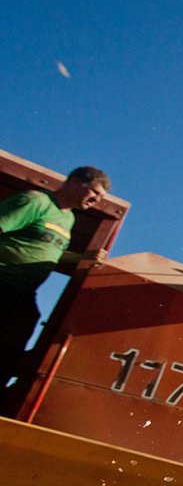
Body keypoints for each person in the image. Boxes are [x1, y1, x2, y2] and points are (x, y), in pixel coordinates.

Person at [0, 166, 109, 394]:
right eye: (95, 193)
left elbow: (50, 252)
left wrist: (84, 258)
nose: (97, 200)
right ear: (75, 182)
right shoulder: (35, 201)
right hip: (4, 281)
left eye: (101, 198)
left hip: (23, 291)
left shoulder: (67, 219)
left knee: (24, 324)